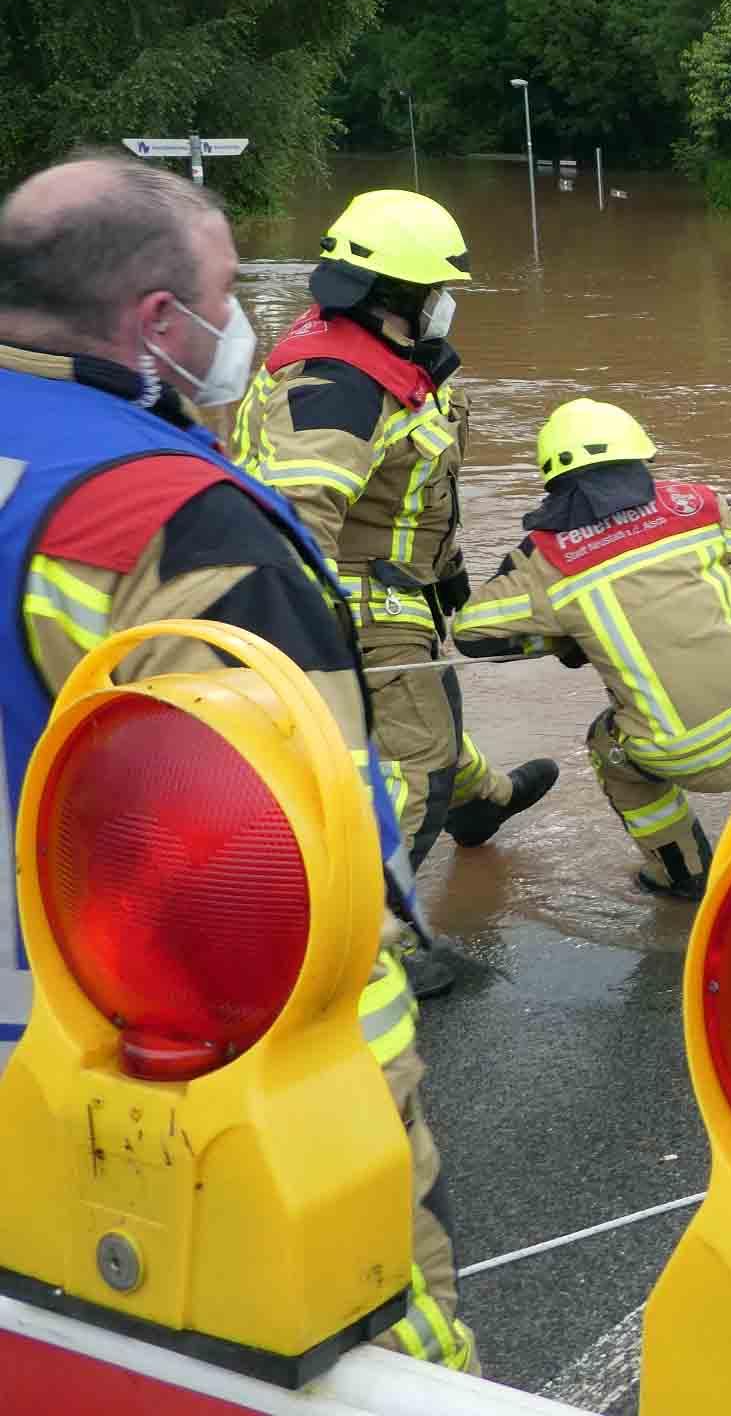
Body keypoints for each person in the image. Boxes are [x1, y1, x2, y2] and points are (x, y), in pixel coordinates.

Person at [0, 154, 477, 1371]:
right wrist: (363, 1091)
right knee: (360, 1318)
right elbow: (293, 860)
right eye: (226, 291)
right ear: (159, 320)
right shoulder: (176, 525)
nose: (246, 328)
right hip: (109, 1041)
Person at [230, 190, 556, 994]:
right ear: (403, 298)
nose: (449, 305)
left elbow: (412, 494)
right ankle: (377, 946)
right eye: (442, 290)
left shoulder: (383, 363)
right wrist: (311, 639)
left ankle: (485, 805)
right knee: (417, 764)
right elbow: (298, 516)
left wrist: (451, 588)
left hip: (397, 591)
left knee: (428, 718)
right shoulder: (340, 384)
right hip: (354, 603)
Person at [452, 399, 731, 902]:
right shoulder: (694, 507)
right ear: (640, 458)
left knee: (607, 747)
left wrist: (559, 637)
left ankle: (683, 873)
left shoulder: (544, 560)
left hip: (685, 754)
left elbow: (473, 631)